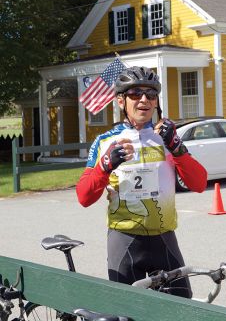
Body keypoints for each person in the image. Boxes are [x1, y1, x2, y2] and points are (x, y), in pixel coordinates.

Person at [76, 66, 207, 298]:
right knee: (126, 311)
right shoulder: (106, 141)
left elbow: (199, 183)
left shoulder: (166, 137)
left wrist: (177, 148)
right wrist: (104, 165)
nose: (144, 100)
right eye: (135, 94)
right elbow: (84, 198)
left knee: (182, 310)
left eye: (151, 94)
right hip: (124, 240)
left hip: (164, 239)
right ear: (120, 101)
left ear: (156, 102)